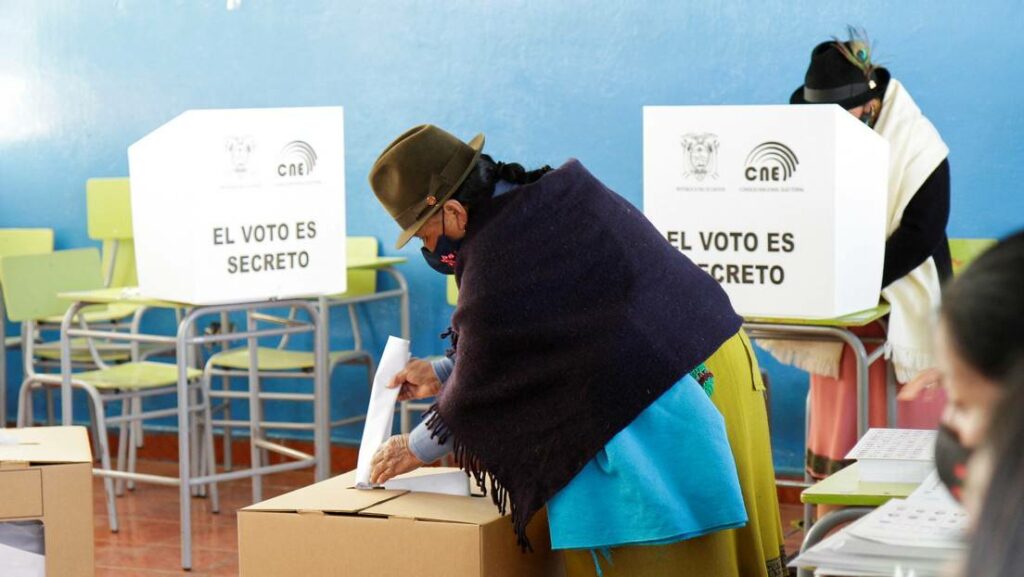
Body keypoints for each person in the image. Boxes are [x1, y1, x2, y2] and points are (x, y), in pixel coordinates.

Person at [366, 125, 785, 576]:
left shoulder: (495, 256)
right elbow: (538, 337)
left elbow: (486, 377)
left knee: (667, 560)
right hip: (713, 358)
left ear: (453, 213)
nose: (430, 250)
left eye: (425, 236)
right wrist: (444, 371)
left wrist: (414, 447)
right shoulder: (552, 195)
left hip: (665, 395)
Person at [763, 27, 953, 478]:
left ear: (871, 106)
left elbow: (923, 231)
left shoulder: (918, 146)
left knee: (897, 430)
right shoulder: (818, 142)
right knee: (841, 412)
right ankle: (832, 516)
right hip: (842, 318)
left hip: (897, 300)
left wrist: (856, 280)